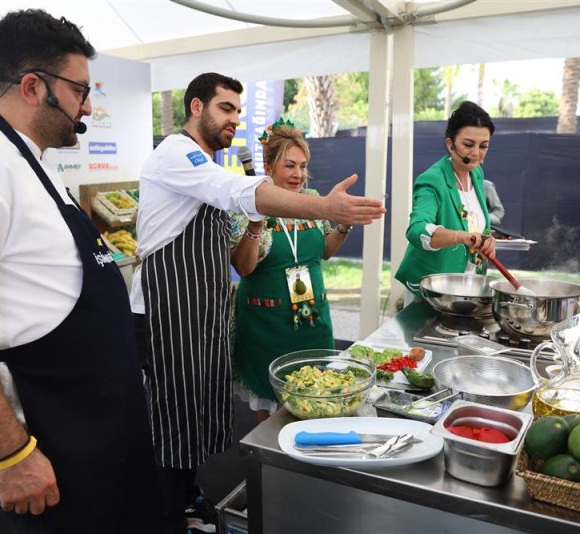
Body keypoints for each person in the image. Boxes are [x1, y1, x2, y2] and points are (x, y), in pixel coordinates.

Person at [0, 9, 162, 533]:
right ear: (32, 86)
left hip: (90, 420)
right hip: (46, 431)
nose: (87, 106)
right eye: (80, 91)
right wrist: (12, 454)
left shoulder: (28, 158)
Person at [136, 72, 384, 533]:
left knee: (193, 412)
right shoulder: (177, 153)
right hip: (169, 305)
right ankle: (168, 515)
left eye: (238, 111)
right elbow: (238, 197)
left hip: (200, 308)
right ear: (195, 107)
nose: (234, 119)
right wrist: (324, 209)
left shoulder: (207, 162)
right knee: (173, 414)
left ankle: (187, 496)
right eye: (225, 108)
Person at [229, 120, 351, 423]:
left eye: (303, 166)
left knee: (319, 397)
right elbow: (243, 267)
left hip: (313, 321)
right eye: (290, 165)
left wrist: (344, 223)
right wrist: (257, 223)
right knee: (270, 409)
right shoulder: (247, 203)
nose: (298, 174)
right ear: (269, 167)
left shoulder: (312, 200)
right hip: (266, 326)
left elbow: (323, 251)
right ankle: (269, 466)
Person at [395, 101, 498, 302]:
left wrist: (487, 239)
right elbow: (417, 230)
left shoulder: (476, 173)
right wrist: (462, 236)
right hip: (432, 290)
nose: (476, 153)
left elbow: (475, 223)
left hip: (467, 287)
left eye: (483, 146)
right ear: (450, 144)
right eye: (468, 145)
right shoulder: (432, 180)